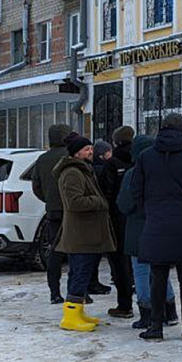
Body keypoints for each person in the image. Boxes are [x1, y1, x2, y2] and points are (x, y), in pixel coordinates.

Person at [130, 113, 182, 342]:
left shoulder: (146, 157)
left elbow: (135, 189)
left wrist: (149, 211)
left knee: (157, 276)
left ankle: (156, 326)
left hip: (156, 223)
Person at [55, 136, 115, 332]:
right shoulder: (72, 172)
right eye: (87, 149)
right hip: (81, 233)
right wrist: (99, 201)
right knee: (80, 273)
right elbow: (74, 202)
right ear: (76, 152)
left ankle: (77, 310)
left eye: (91, 148)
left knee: (81, 272)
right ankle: (70, 316)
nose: (91, 152)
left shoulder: (83, 169)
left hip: (87, 233)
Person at [116, 134, 161, 331]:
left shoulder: (132, 174)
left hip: (137, 228)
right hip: (160, 227)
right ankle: (169, 309)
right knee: (161, 270)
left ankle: (146, 313)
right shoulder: (161, 171)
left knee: (141, 271)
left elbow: (124, 203)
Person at [95, 127, 136, 319]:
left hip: (117, 219)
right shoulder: (141, 159)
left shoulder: (111, 164)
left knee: (119, 263)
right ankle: (158, 308)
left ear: (115, 142)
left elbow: (105, 193)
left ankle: (125, 304)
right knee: (144, 264)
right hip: (140, 218)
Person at [31, 123, 74, 304]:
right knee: (76, 252)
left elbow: (36, 186)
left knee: (55, 252)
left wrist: (49, 199)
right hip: (73, 211)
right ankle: (77, 292)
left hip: (53, 211)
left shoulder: (42, 159)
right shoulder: (71, 157)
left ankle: (54, 292)